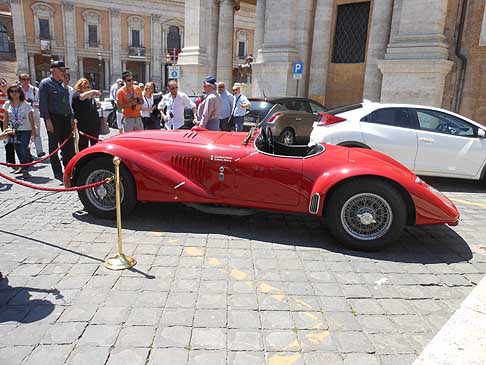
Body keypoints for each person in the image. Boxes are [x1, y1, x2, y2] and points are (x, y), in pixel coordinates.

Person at [39, 60, 75, 181]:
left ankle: (69, 170)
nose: (64, 73)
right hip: (54, 119)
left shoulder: (62, 84)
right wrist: (48, 121)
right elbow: (43, 104)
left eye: (65, 70)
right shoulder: (45, 84)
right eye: (62, 70)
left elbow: (67, 104)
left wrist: (71, 117)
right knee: (54, 146)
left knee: (68, 146)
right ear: (54, 70)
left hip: (65, 118)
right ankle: (58, 173)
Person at [2, 84, 37, 178]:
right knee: (18, 149)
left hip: (26, 129)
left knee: (23, 149)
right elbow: (6, 118)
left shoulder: (25, 104)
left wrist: (34, 131)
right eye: (12, 91)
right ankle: (23, 166)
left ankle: (25, 169)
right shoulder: (7, 104)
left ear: (19, 93)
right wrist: (5, 131)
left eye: (16, 91)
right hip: (14, 130)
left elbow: (31, 118)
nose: (14, 93)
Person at [72, 78, 102, 151]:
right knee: (83, 144)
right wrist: (93, 91)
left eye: (88, 87)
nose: (87, 89)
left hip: (94, 124)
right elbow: (82, 97)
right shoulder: (77, 95)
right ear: (79, 87)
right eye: (85, 87)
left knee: (95, 144)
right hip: (84, 125)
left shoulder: (90, 97)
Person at [19, 73, 44, 158]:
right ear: (20, 81)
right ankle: (27, 149)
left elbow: (39, 100)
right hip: (23, 115)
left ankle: (39, 151)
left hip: (35, 113)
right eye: (24, 79)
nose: (26, 81)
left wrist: (34, 103)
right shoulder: (18, 90)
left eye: (27, 79)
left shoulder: (35, 90)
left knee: (37, 131)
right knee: (26, 132)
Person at [0, 78, 15, 166]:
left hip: (14, 120)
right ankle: (10, 160)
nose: (3, 84)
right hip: (2, 120)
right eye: (1, 83)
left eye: (4, 82)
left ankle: (26, 159)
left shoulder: (12, 93)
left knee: (17, 140)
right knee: (7, 140)